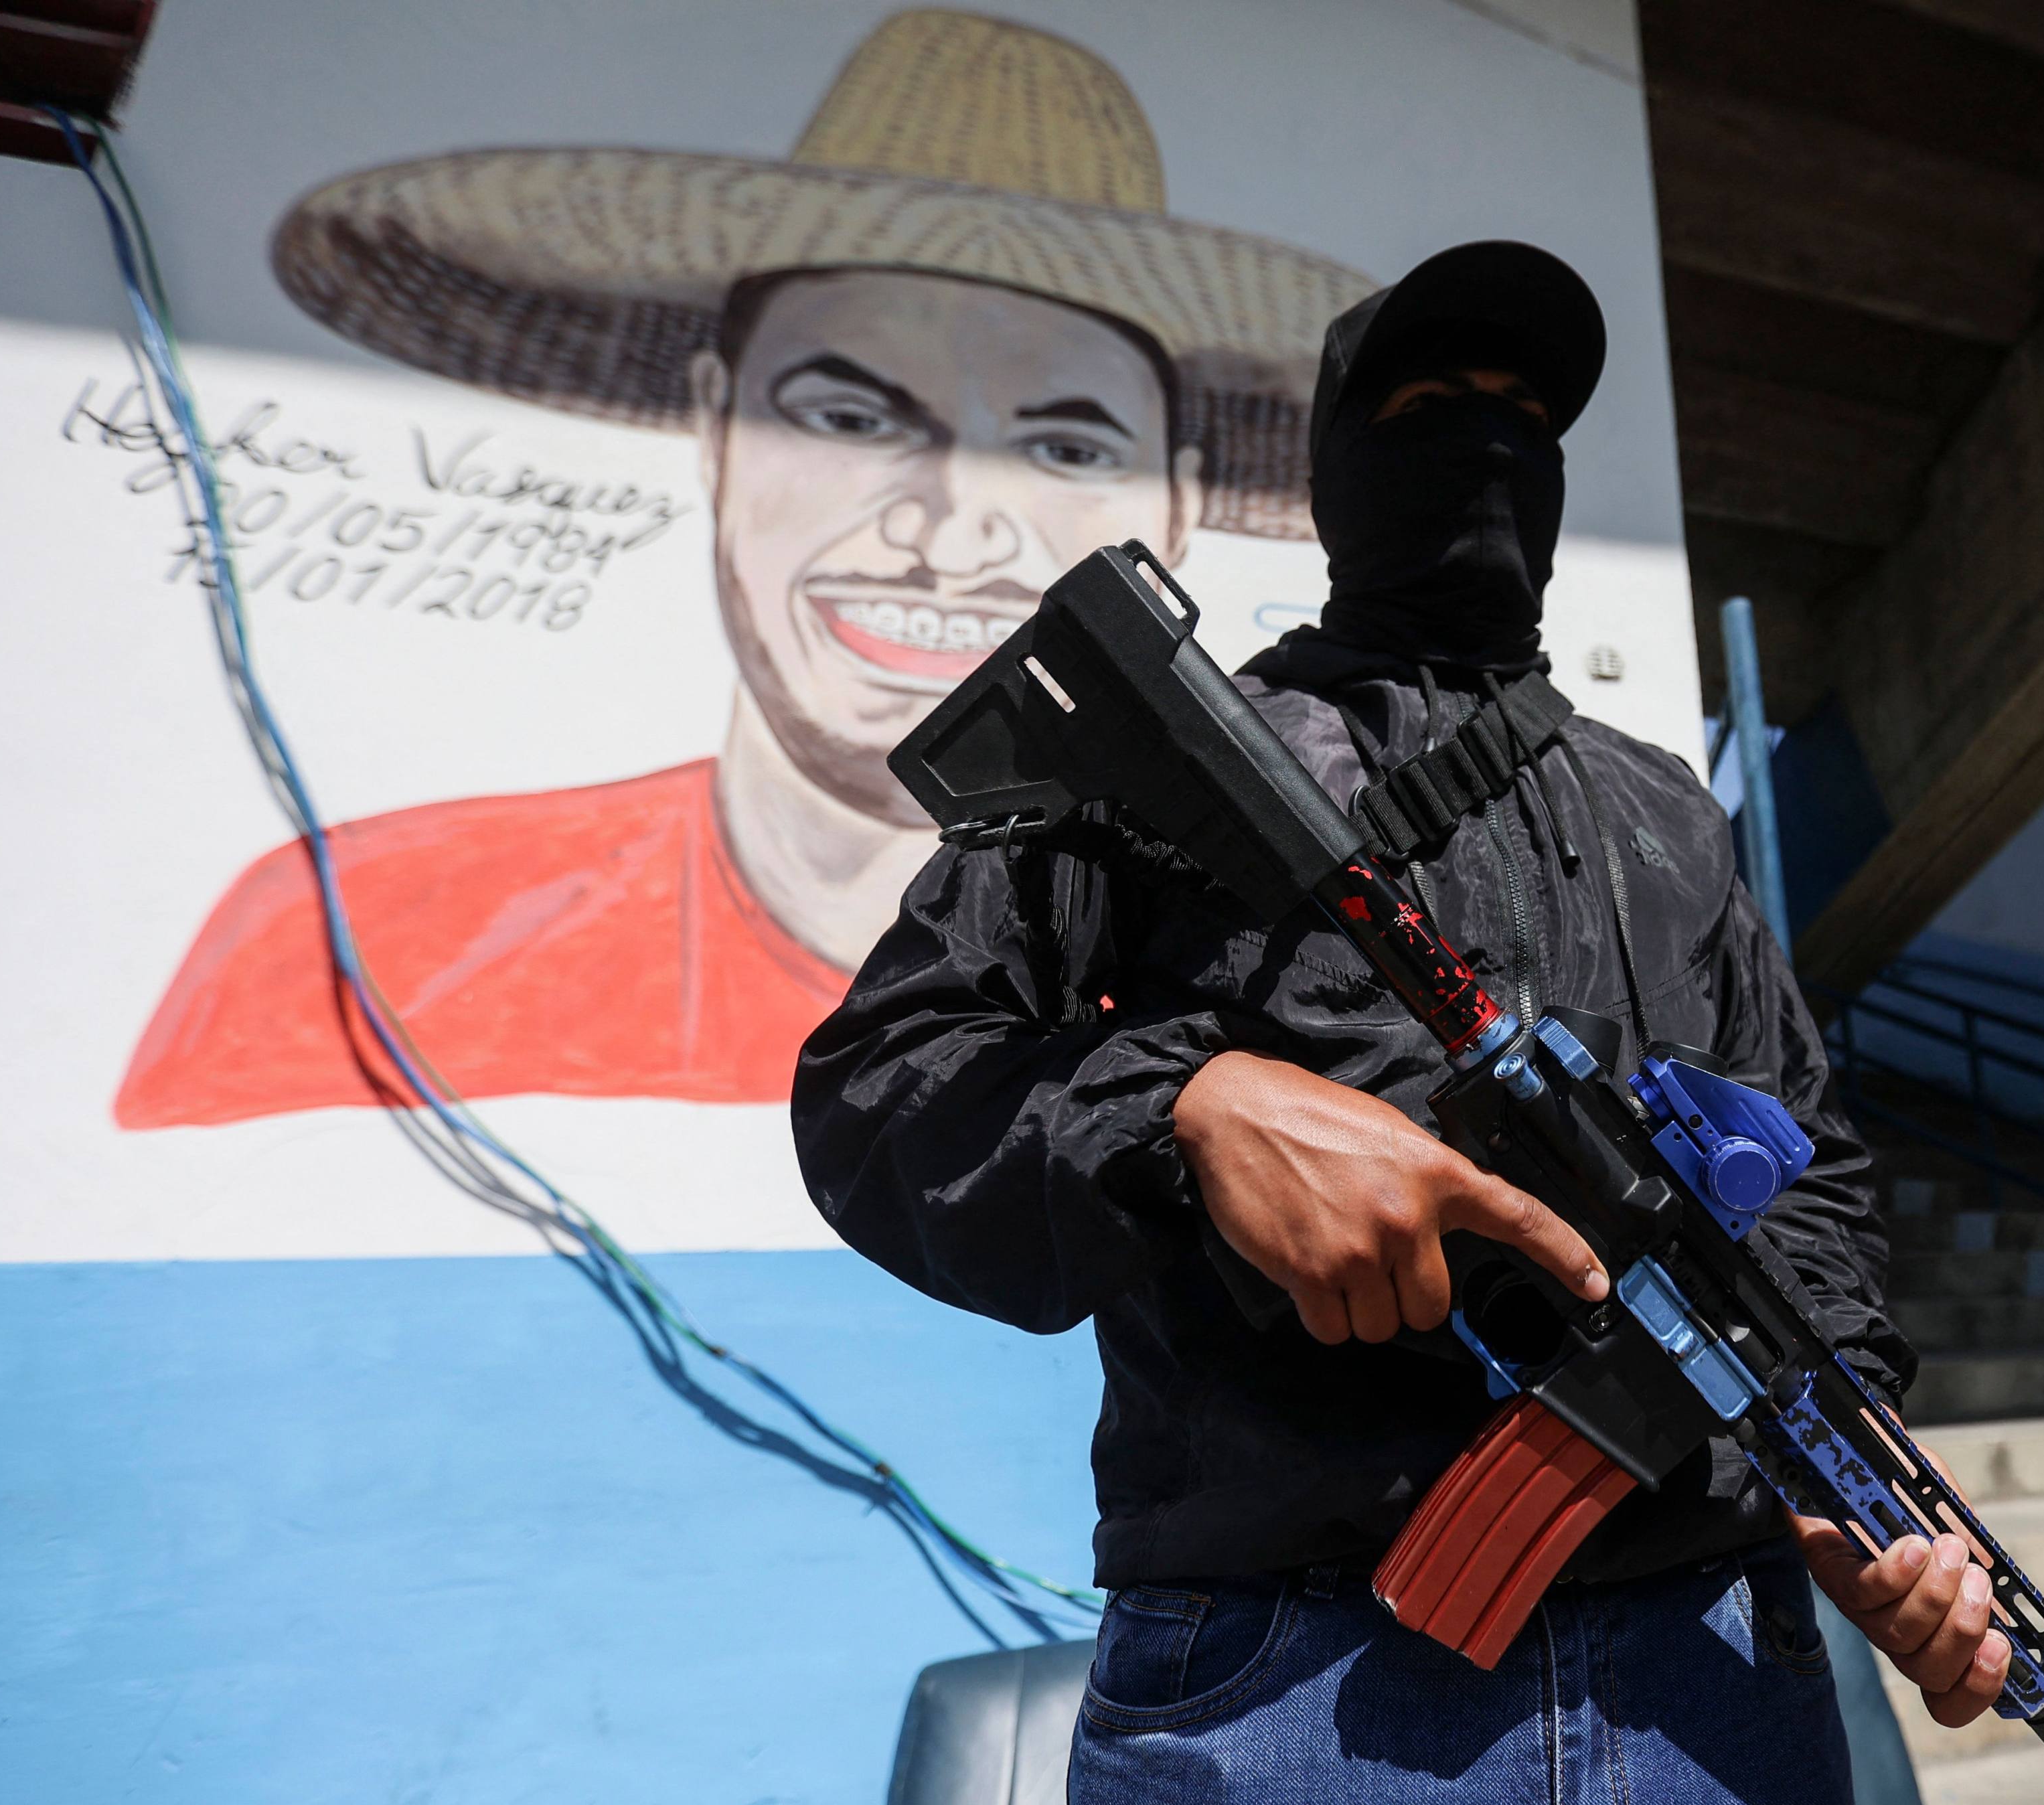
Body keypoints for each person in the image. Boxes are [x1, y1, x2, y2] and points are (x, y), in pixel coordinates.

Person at [793, 241, 2008, 1805]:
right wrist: (1189, 1109)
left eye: (1528, 417)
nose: (1491, 444)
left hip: (1721, 1688)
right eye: (1436, 402)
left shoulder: (1665, 812)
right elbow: (880, 1090)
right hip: (1299, 1699)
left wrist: (1854, 1451)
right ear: (1337, 467)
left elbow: (1811, 1171)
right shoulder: (1169, 768)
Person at [113, 9, 1372, 1129]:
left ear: (1177, 500)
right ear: (715, 429)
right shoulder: (349, 950)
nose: (951, 533)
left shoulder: (1271, 974)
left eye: (1065, 443)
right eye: (849, 416)